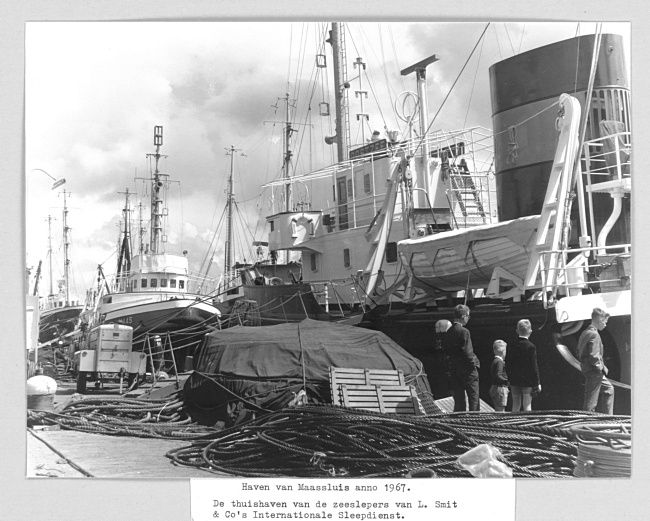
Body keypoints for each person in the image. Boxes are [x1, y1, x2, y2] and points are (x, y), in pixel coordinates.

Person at [441, 304, 480, 411]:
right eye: (468, 316)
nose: (468, 319)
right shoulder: (464, 332)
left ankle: (459, 419)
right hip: (468, 369)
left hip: (454, 369)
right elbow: (468, 352)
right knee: (473, 397)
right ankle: (474, 420)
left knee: (459, 398)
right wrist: (474, 364)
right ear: (464, 316)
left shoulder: (449, 332)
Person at [577, 308, 614, 414]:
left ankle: (608, 418)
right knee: (591, 401)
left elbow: (578, 350)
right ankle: (588, 421)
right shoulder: (595, 335)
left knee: (609, 389)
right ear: (600, 321)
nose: (605, 325)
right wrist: (600, 368)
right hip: (595, 371)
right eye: (605, 322)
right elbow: (594, 356)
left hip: (589, 369)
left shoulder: (585, 332)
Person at [506, 319, 541, 412]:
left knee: (515, 404)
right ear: (530, 331)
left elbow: (508, 363)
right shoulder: (531, 346)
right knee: (527, 405)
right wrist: (537, 382)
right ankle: (526, 423)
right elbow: (533, 366)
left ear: (517, 331)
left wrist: (509, 378)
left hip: (514, 379)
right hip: (527, 381)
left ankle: (513, 422)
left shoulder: (510, 345)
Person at [489, 340, 509, 412]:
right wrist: (507, 381)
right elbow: (498, 375)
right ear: (502, 351)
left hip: (495, 387)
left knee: (498, 410)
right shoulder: (499, 362)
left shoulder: (495, 361)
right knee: (500, 411)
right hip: (500, 388)